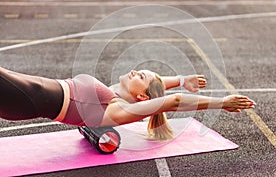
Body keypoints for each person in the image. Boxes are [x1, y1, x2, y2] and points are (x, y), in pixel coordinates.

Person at [0, 66, 255, 140]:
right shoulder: (114, 94)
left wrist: (221, 102)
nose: (135, 70)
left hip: (26, 97)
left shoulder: (118, 109)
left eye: (140, 75)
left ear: (143, 98)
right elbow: (158, 87)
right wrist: (179, 78)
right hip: (29, 91)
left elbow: (171, 101)